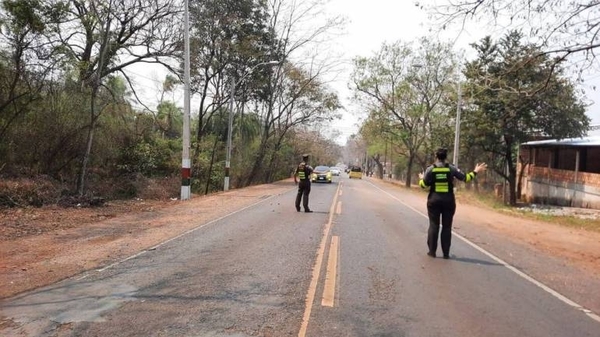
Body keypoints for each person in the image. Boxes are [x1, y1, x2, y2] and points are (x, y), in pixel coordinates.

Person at [418, 148, 487, 259]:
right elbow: (465, 178)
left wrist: (421, 178)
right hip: (448, 201)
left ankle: (432, 252)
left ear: (436, 156)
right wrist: (476, 171)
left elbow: (423, 185)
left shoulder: (430, 169)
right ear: (446, 157)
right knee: (446, 227)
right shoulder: (451, 169)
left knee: (434, 225)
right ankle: (446, 253)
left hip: (434, 201)